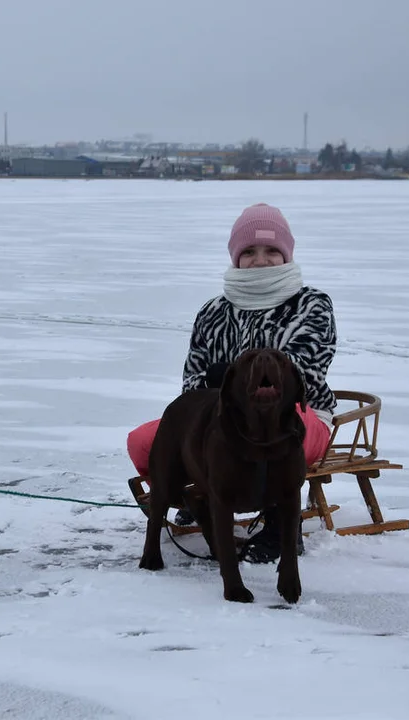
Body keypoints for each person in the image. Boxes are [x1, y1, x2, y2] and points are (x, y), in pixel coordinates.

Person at [126, 203, 336, 562]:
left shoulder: (310, 305)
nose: (261, 260)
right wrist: (217, 390)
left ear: (286, 254)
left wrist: (235, 378)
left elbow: (304, 371)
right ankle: (197, 494)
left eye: (272, 251)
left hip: (299, 414)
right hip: (224, 415)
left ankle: (280, 526)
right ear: (236, 257)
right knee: (145, 440)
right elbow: (193, 380)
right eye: (250, 251)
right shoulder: (212, 311)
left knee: (284, 435)